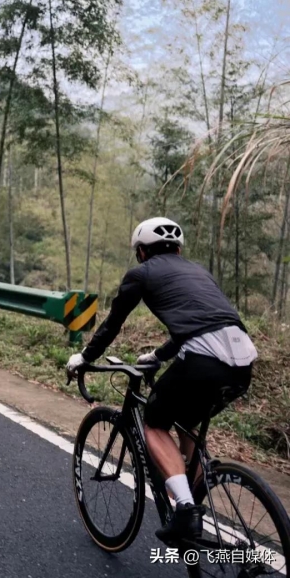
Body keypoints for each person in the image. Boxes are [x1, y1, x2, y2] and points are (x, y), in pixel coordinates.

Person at [66, 217, 257, 543]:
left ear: (141, 252)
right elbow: (201, 325)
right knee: (186, 420)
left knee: (154, 423)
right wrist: (157, 355)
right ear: (178, 250)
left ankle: (185, 509)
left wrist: (85, 357)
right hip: (243, 362)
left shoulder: (141, 274)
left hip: (203, 360)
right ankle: (195, 496)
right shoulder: (200, 272)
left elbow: (112, 324)